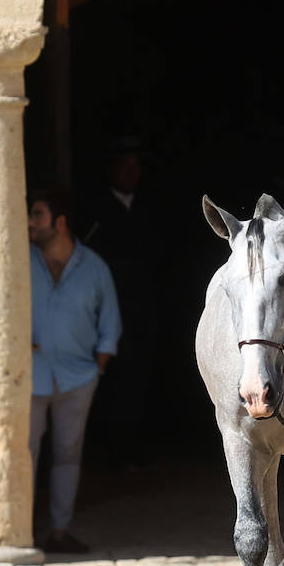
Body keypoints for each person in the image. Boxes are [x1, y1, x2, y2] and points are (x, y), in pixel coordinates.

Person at [29, 188, 121, 554]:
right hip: (28, 375)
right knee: (24, 454)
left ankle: (58, 532)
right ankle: (18, 532)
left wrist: (96, 370)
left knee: (68, 456)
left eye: (37, 214)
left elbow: (110, 325)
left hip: (78, 378)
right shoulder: (19, 260)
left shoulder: (95, 267)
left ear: (60, 222)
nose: (29, 222)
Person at [79, 137, 163, 471]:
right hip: (104, 306)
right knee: (107, 375)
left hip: (142, 306)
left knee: (139, 375)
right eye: (124, 165)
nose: (131, 172)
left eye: (136, 166)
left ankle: (133, 447)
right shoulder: (95, 210)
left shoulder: (149, 208)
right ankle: (106, 450)